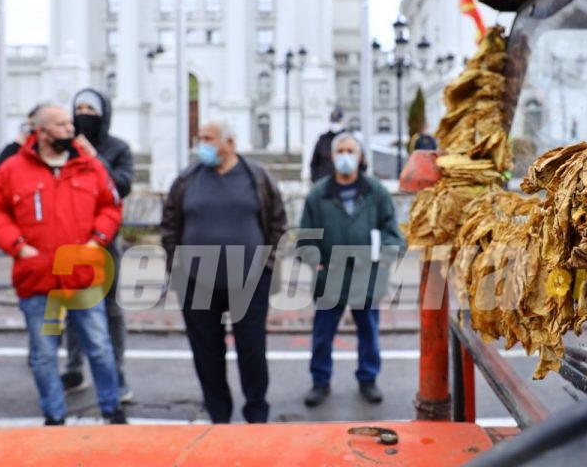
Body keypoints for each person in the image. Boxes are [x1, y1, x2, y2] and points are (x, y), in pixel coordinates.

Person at [0, 105, 126, 425]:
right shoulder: (12, 170)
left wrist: (95, 240)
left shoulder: (90, 166)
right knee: (44, 354)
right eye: (61, 125)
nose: (70, 130)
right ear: (41, 132)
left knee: (99, 348)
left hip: (82, 277)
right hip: (39, 279)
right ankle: (54, 416)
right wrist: (19, 247)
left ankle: (112, 410)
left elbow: (111, 205)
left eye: (69, 123)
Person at [160, 119, 287, 424]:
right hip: (197, 282)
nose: (202, 144)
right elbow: (170, 226)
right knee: (206, 352)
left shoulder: (256, 177)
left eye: (209, 138)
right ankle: (219, 415)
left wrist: (267, 267)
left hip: (249, 281)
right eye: (200, 138)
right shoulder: (187, 180)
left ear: (230, 143)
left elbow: (277, 223)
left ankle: (256, 413)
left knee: (252, 350)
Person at [299, 132, 405, 407]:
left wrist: (384, 258)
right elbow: (305, 237)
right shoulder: (318, 194)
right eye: (340, 151)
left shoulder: (376, 192)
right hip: (329, 277)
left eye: (350, 151)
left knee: (368, 331)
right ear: (332, 157)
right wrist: (315, 262)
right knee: (323, 334)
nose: (345, 156)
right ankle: (320, 382)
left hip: (365, 276)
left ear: (361, 158)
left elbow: (393, 232)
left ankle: (368, 379)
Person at [62, 89, 134, 403]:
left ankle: (117, 374)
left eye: (90, 108)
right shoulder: (64, 147)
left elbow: (121, 185)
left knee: (111, 309)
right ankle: (74, 367)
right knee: (72, 305)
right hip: (69, 240)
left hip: (104, 241)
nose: (83, 113)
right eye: (78, 107)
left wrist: (93, 156)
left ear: (103, 113)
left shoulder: (118, 148)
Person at [0, 104, 46, 177]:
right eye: (28, 126)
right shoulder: (18, 148)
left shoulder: (58, 152)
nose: (30, 130)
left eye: (33, 125)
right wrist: (16, 145)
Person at [309, 108, 346, 182]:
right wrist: (316, 180)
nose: (336, 124)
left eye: (337, 121)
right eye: (334, 121)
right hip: (325, 182)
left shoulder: (349, 139)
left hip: (344, 182)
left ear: (343, 121)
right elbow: (314, 163)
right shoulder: (323, 139)